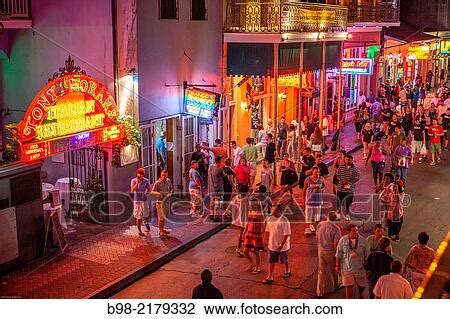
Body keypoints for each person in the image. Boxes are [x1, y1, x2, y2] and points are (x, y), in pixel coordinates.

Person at [335, 224, 370, 299]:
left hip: (359, 268)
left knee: (362, 286)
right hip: (346, 268)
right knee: (348, 286)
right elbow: (338, 254)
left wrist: (367, 268)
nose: (356, 232)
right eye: (354, 231)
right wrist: (337, 266)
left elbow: (367, 255)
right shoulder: (343, 240)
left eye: (357, 230)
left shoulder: (363, 240)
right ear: (348, 232)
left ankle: (360, 293)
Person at [263, 204, 291, 284]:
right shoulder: (270, 219)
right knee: (271, 260)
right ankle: (270, 276)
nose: (272, 211)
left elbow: (287, 234)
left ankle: (287, 269)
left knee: (284, 259)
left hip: (282, 246)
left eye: (274, 210)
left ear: (279, 211)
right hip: (272, 244)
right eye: (271, 210)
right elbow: (267, 230)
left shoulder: (284, 220)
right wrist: (265, 239)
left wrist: (281, 245)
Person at [316, 211, 341, 298]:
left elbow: (317, 237)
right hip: (330, 252)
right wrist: (336, 255)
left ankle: (320, 292)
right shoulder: (336, 229)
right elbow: (336, 244)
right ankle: (336, 286)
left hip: (321, 251)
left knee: (321, 272)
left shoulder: (320, 224)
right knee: (333, 271)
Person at [224, 184, 249, 257]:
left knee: (242, 234)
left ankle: (239, 248)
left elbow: (229, 206)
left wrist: (225, 213)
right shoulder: (247, 199)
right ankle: (241, 248)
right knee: (244, 234)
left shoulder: (235, 198)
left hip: (238, 220)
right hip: (245, 220)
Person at [242, 198, 266, 275]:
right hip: (249, 233)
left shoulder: (260, 214)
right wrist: (244, 233)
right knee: (245, 251)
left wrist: (264, 237)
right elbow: (248, 223)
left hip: (257, 234)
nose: (250, 205)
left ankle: (258, 267)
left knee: (256, 252)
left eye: (251, 204)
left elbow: (263, 226)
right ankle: (252, 263)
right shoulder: (250, 212)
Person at [336, 155, 360, 220]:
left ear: (352, 160)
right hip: (340, 188)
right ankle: (338, 214)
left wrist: (349, 182)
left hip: (349, 189)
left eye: (348, 160)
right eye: (346, 159)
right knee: (339, 202)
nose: (347, 161)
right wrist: (341, 181)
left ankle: (347, 214)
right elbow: (337, 175)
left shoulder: (355, 169)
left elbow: (357, 178)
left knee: (348, 203)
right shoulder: (341, 167)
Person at [303, 166, 325, 233]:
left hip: (318, 200)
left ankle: (312, 226)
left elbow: (324, 187)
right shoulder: (307, 179)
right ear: (312, 172)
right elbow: (304, 189)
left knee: (316, 216)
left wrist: (320, 190)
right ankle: (307, 229)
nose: (317, 173)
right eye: (316, 172)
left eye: (318, 172)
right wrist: (304, 199)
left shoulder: (321, 179)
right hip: (309, 200)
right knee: (308, 216)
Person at [152, 170, 173, 239]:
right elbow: (152, 191)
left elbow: (171, 189)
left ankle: (162, 229)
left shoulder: (168, 181)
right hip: (160, 203)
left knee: (164, 217)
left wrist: (170, 193)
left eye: (165, 175)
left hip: (167, 202)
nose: (164, 177)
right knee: (161, 218)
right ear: (160, 175)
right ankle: (161, 232)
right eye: (163, 175)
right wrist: (157, 193)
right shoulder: (157, 183)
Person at [130, 168, 151, 237]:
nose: (140, 175)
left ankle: (146, 222)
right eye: (139, 173)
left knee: (146, 214)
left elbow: (149, 189)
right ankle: (139, 231)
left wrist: (146, 192)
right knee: (138, 216)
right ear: (137, 173)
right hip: (137, 201)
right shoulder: (133, 180)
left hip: (144, 200)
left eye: (142, 173)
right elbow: (132, 190)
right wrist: (137, 182)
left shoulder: (146, 180)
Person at [208, 156, 226, 222]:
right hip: (218, 189)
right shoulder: (219, 169)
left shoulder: (210, 167)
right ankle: (216, 217)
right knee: (217, 204)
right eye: (221, 161)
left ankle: (211, 214)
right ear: (219, 162)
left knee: (212, 202)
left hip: (211, 188)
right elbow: (224, 176)